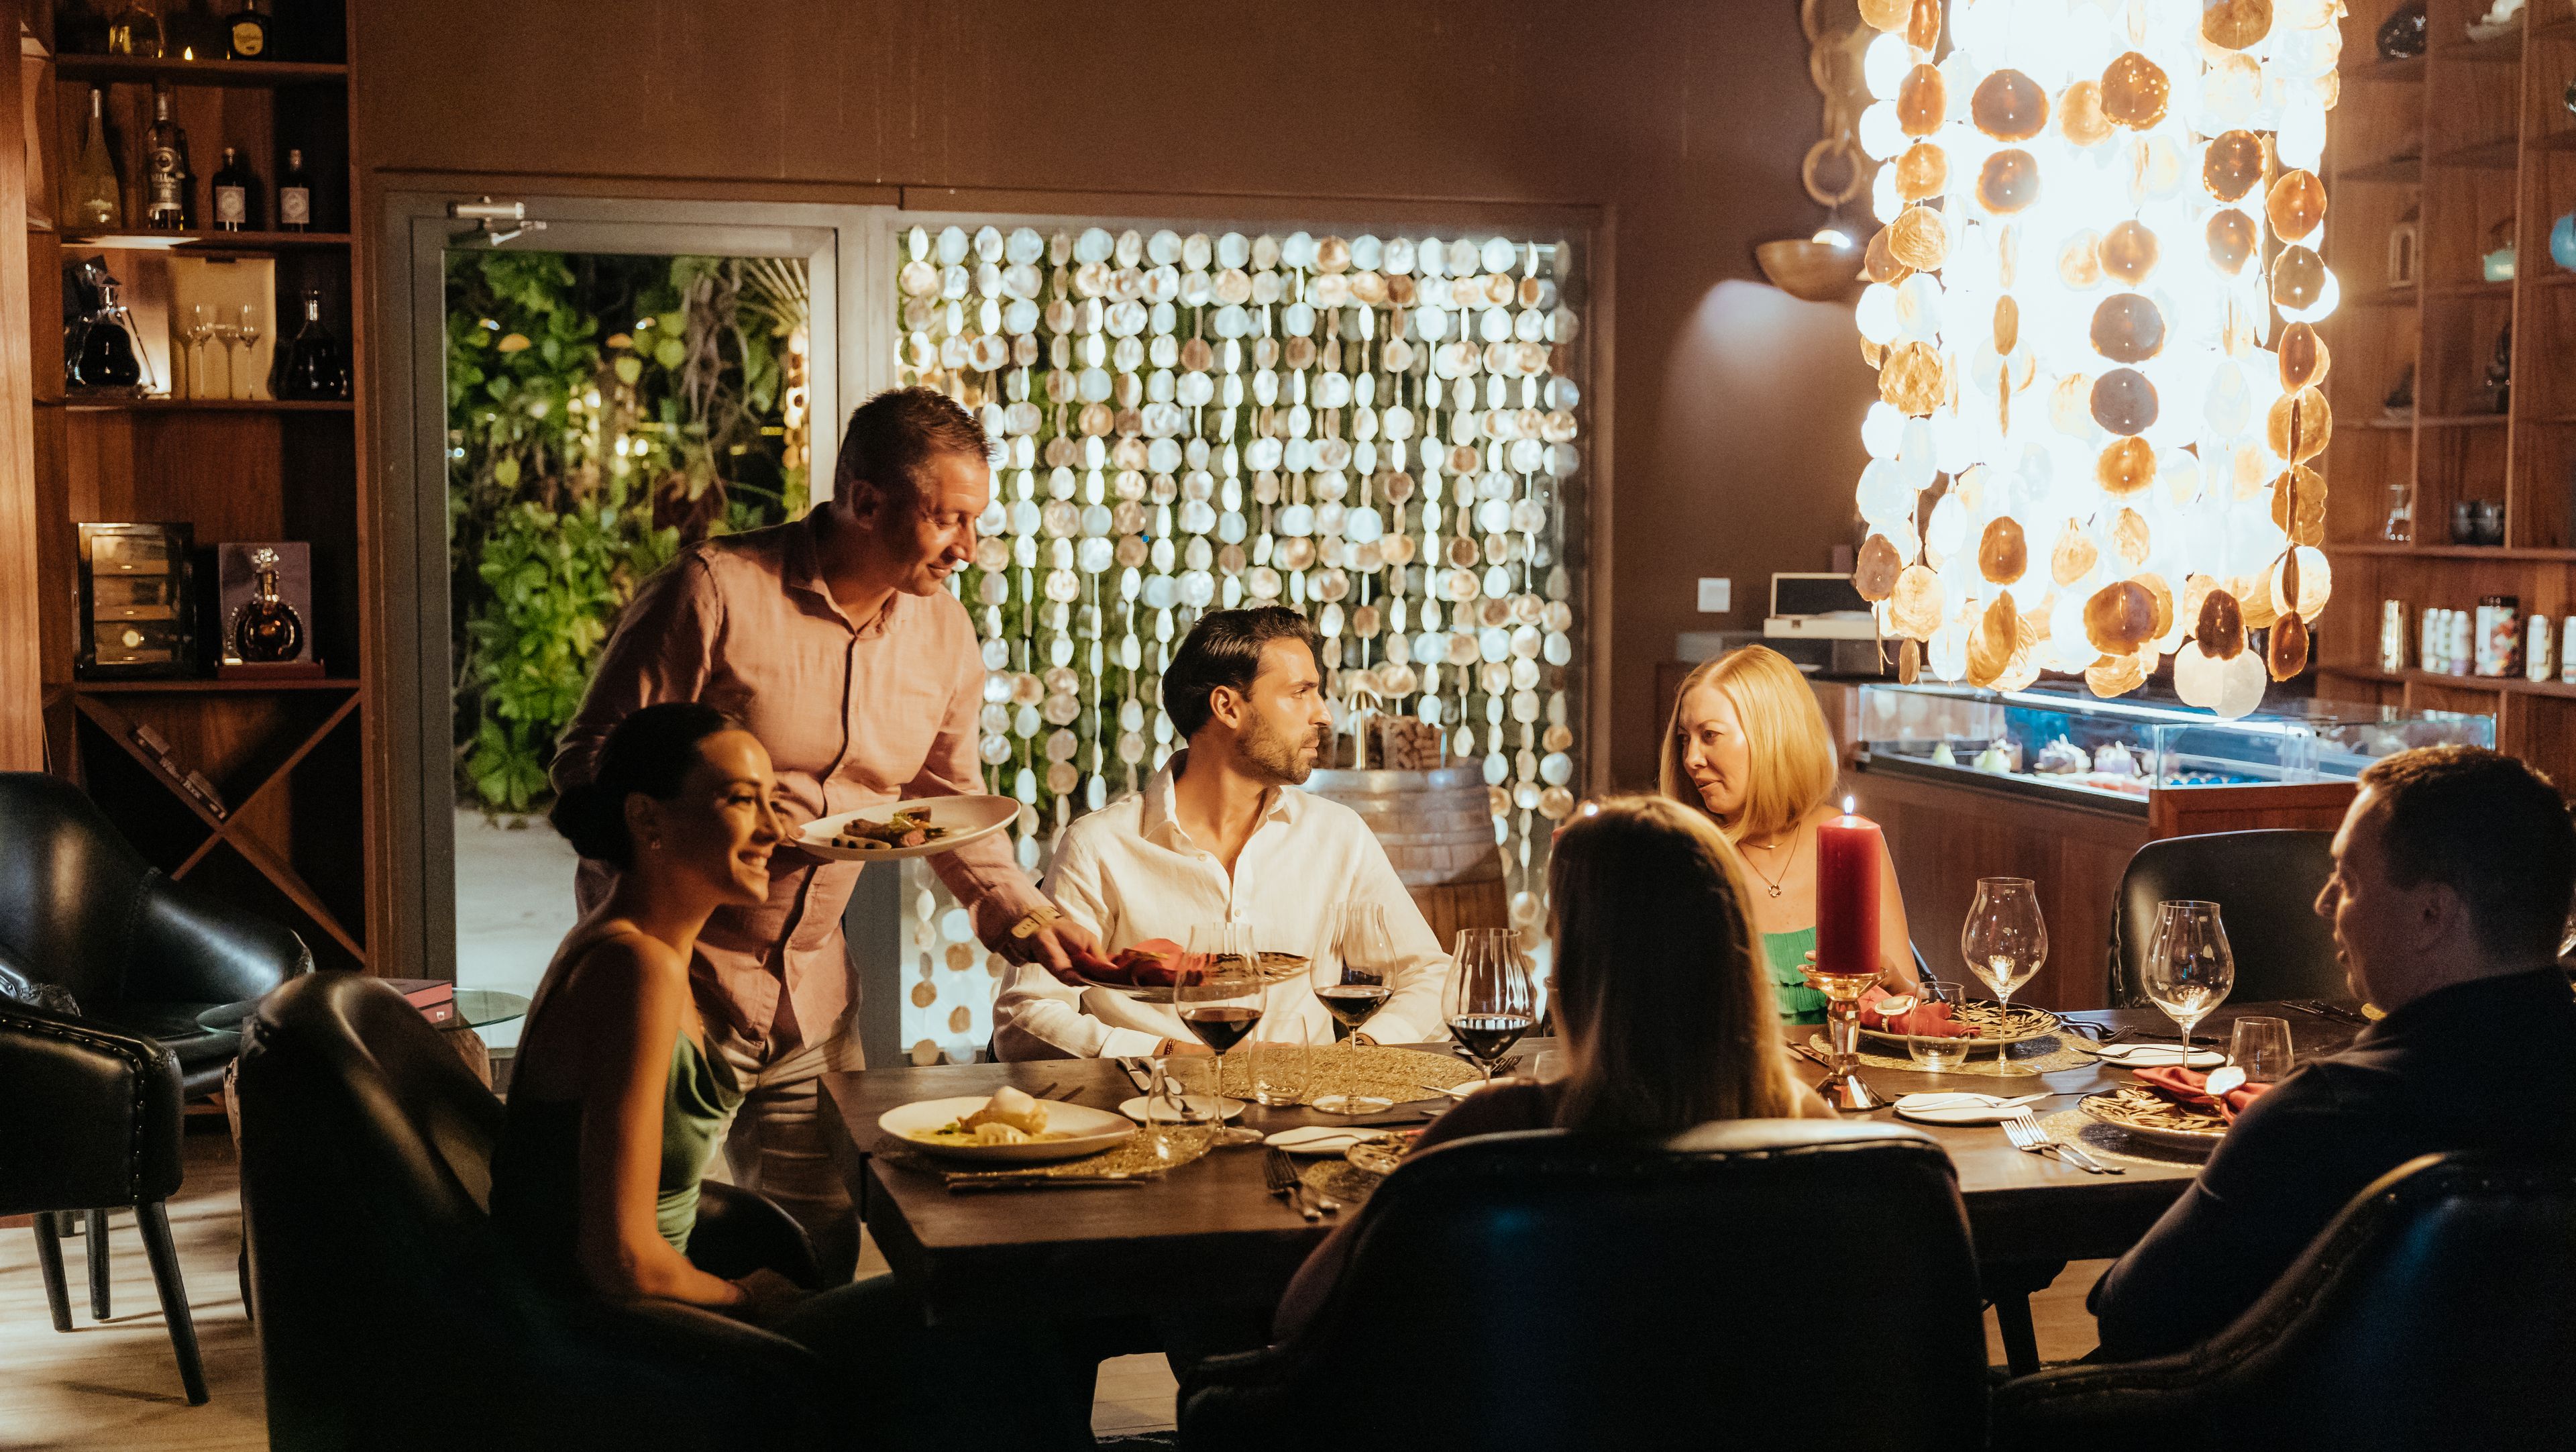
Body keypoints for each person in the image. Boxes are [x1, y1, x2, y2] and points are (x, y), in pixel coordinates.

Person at [553, 386, 1094, 1277]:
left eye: (976, 522)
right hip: (682, 982)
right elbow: (590, 764)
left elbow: (946, 795)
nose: (969, 547)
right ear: (865, 500)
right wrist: (715, 830)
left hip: (812, 994)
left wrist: (1020, 911)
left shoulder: (944, 633)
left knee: (818, 1257)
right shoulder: (715, 590)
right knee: (637, 1244)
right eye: (948, 519)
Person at [492, 703, 1093, 1451]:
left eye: (774, 801)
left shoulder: (640, 949)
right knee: (995, 1319)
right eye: (741, 801)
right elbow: (620, 1260)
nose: (777, 830)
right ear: (647, 818)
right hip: (633, 1347)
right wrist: (746, 1295)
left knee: (995, 1326)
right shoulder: (634, 967)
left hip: (654, 1319)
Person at [1271, 794, 1832, 1338]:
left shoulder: (1497, 1127)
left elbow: (1302, 1309)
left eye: (1559, 938)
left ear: (1584, 971)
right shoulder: (1806, 1129)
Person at [2087, 745, 2576, 1361]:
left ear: (2431, 914)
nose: (2323, 904)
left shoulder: (2321, 1114)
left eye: (2347, 881)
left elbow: (2132, 1315)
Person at [991, 606, 1450, 1060]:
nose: (1324, 714)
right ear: (1228, 707)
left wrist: (1358, 1052)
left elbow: (1428, 974)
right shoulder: (1100, 845)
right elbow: (1025, 1018)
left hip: (1301, 1107)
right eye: (1300, 693)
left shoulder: (1338, 835)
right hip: (1150, 1100)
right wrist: (1169, 1054)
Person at [1660, 644, 1920, 1021]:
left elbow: (1912, 1009)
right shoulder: (1682, 855)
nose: (1691, 759)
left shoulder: (1852, 841)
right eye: (1685, 738)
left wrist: (1890, 980)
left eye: (1710, 735)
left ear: (1773, 737)